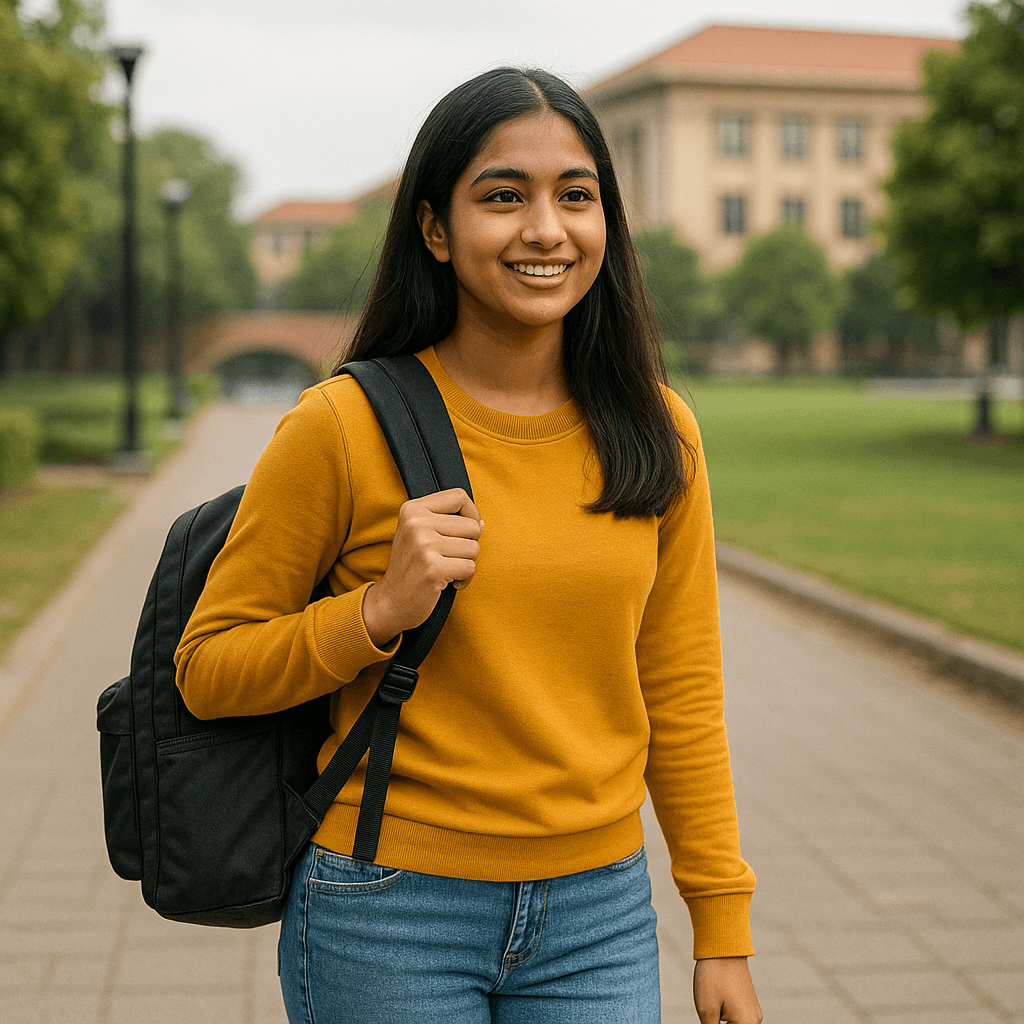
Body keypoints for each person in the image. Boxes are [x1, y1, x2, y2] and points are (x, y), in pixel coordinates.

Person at [175, 67, 761, 1024]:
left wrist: (721, 923)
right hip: (386, 907)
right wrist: (374, 613)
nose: (546, 229)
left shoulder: (659, 431)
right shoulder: (340, 428)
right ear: (436, 229)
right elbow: (207, 669)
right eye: (503, 196)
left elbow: (682, 690)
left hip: (600, 914)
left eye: (577, 196)